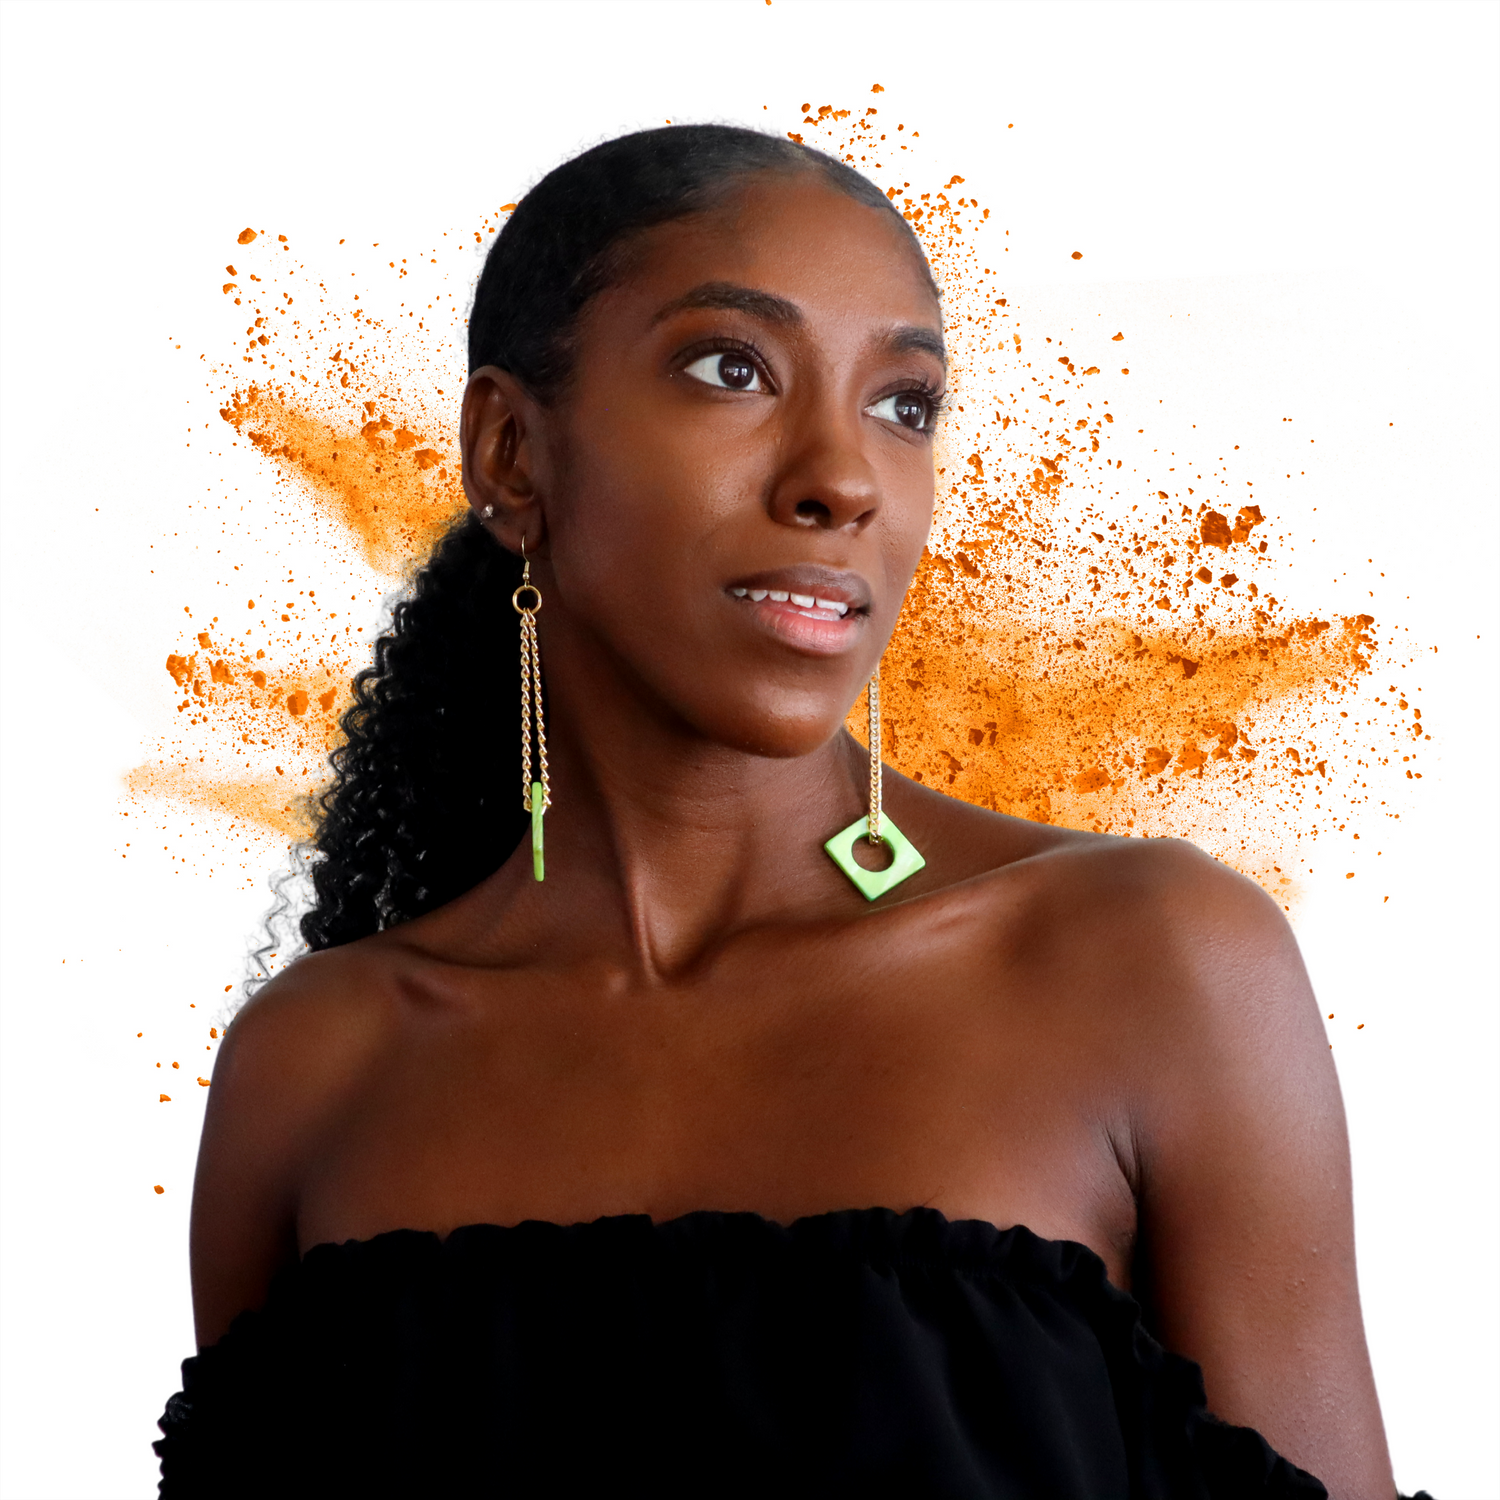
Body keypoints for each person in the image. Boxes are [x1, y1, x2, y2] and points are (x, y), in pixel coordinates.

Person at [156, 125, 1415, 1499]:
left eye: (904, 404)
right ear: (512, 453)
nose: (845, 478)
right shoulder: (319, 1069)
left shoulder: (1149, 965)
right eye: (732, 370)